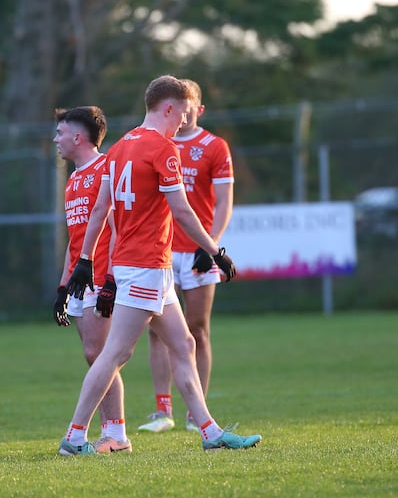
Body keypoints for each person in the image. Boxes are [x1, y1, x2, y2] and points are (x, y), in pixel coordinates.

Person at [58, 75, 260, 455]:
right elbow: (182, 211)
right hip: (146, 264)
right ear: (168, 108)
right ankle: (74, 436)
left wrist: (85, 259)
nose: (186, 119)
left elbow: (102, 209)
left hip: (151, 266)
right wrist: (215, 250)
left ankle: (210, 433)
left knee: (183, 344)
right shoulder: (163, 148)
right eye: (183, 112)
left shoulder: (120, 146)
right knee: (115, 354)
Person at [138, 79, 235, 434]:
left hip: (198, 251)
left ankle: (198, 413)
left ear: (199, 108)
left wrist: (210, 245)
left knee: (197, 329)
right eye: (181, 105)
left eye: (191, 104)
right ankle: (162, 410)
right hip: (160, 251)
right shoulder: (154, 142)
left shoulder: (214, 146)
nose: (185, 112)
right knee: (156, 332)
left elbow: (224, 203)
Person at [52, 106, 129, 453]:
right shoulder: (72, 179)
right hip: (82, 280)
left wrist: (110, 279)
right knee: (94, 355)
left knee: (101, 354)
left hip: (103, 277)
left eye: (60, 132)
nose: (56, 139)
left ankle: (116, 435)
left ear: (78, 137)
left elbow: (114, 229)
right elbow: (76, 236)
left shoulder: (106, 168)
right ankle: (111, 432)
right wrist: (63, 286)